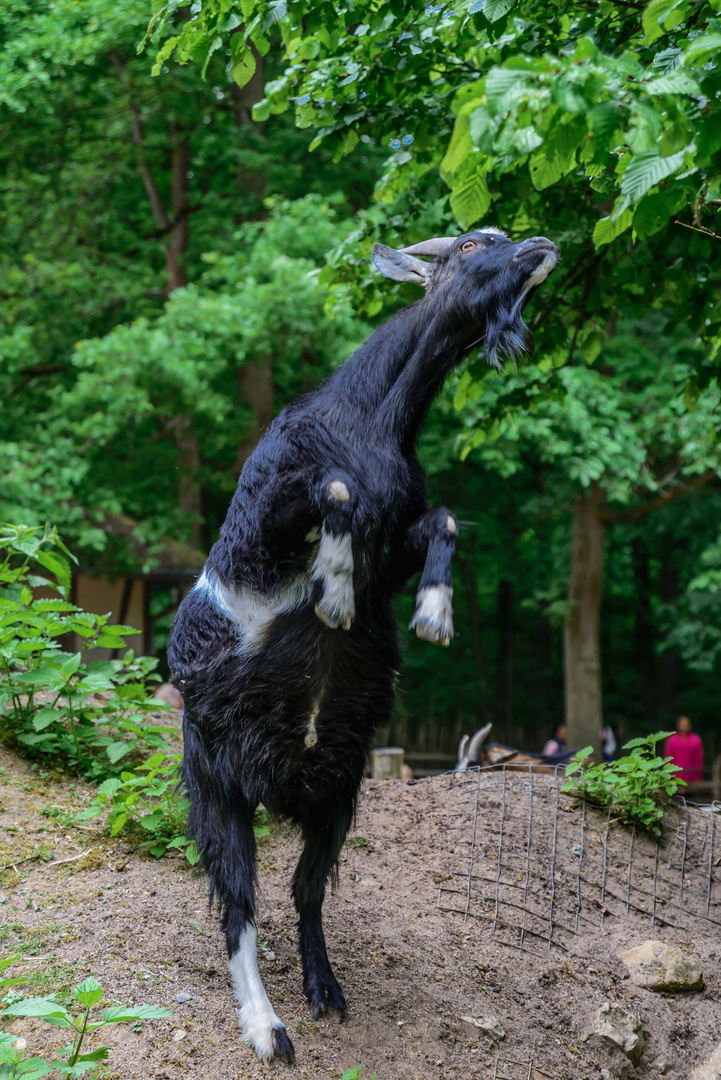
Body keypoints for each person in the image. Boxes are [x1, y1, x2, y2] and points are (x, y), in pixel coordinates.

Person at [664, 716, 704, 785]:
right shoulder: (672, 740)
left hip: (691, 778)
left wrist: (698, 778)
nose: (684, 725)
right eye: (682, 724)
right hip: (675, 778)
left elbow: (698, 760)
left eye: (686, 724)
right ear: (678, 725)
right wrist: (668, 776)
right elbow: (668, 758)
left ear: (689, 725)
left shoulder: (696, 740)